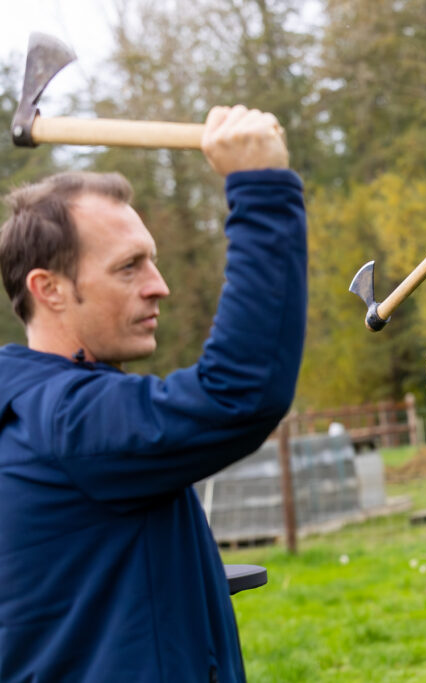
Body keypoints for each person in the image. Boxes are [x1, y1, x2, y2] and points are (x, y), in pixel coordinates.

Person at [0, 105, 306, 682]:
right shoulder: (67, 423)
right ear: (49, 289)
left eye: (154, 262)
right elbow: (240, 390)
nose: (159, 286)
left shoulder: (34, 412)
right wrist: (261, 190)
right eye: (129, 267)